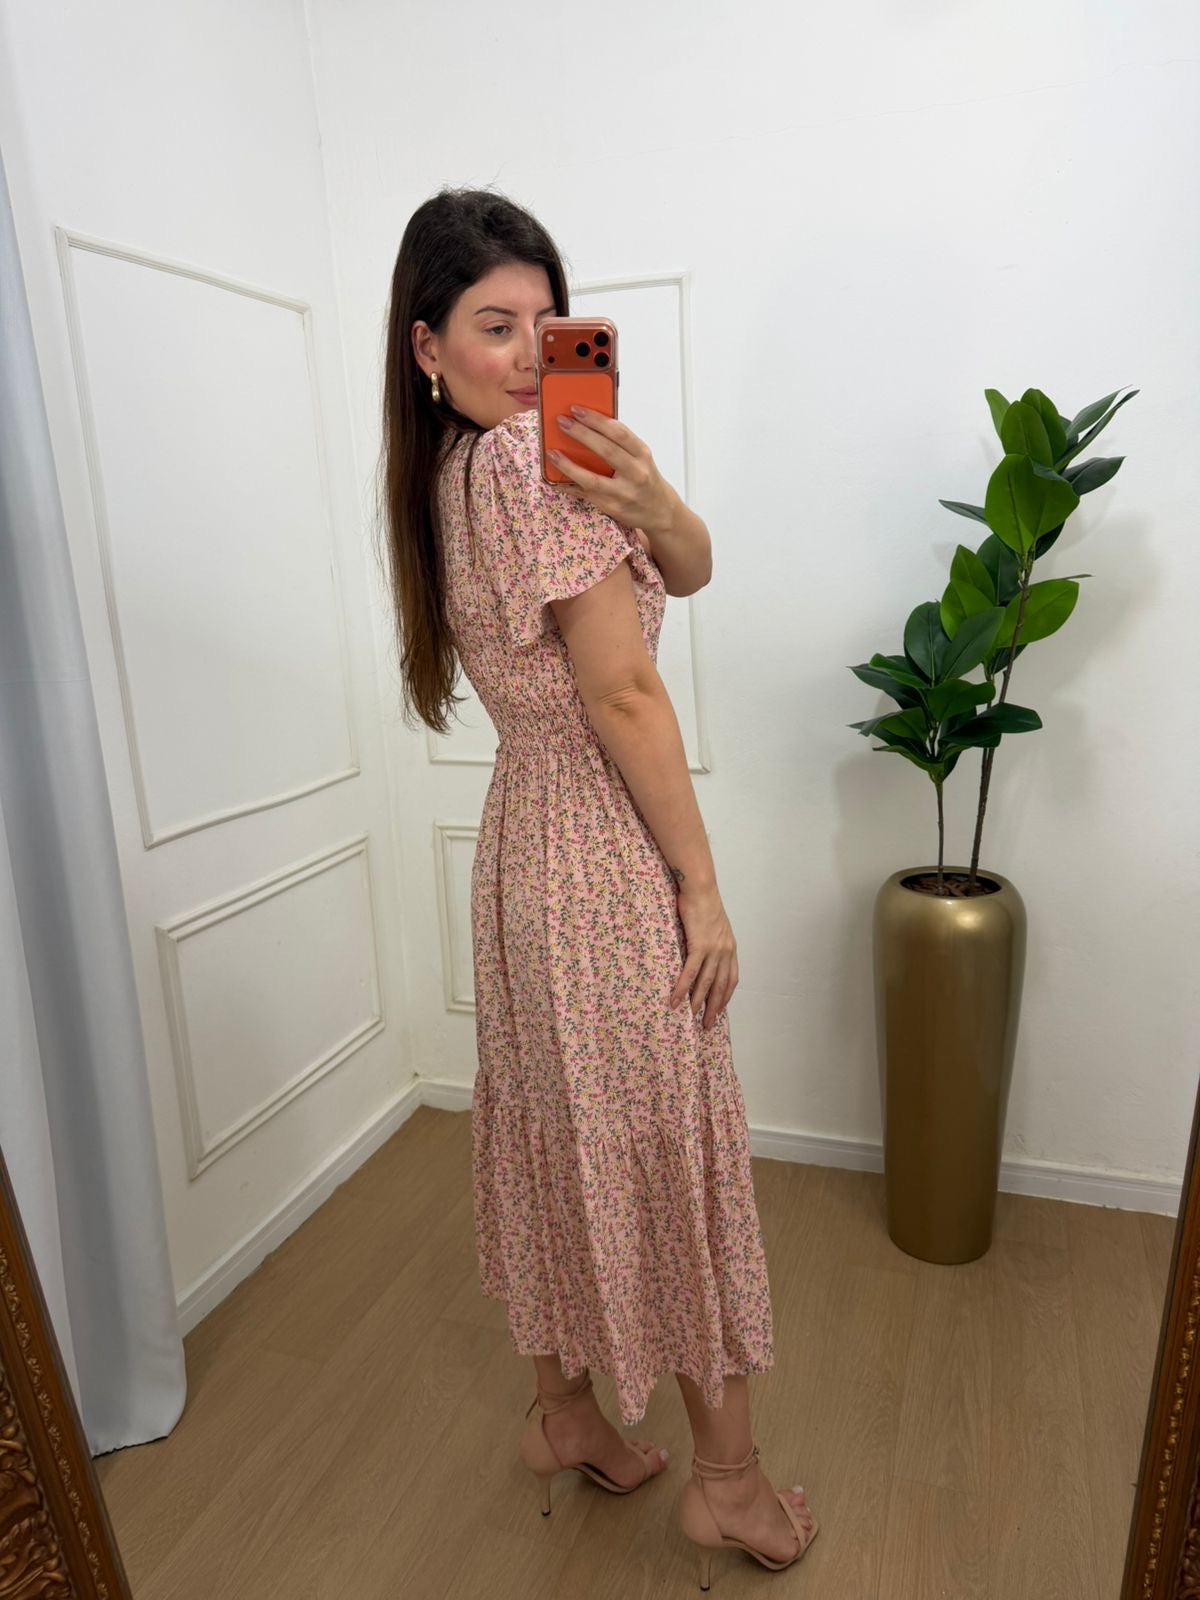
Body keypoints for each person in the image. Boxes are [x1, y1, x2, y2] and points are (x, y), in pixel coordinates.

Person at [376, 186, 817, 1588]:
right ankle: (727, 1486)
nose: (526, 355)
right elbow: (622, 691)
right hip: (599, 852)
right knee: (660, 1148)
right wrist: (702, 886)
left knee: (562, 1129)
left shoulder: (461, 471)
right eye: (492, 325)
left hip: (523, 849)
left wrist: (647, 496)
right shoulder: (521, 463)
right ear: (427, 345)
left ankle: (565, 1413)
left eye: (545, 324)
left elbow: (693, 565)